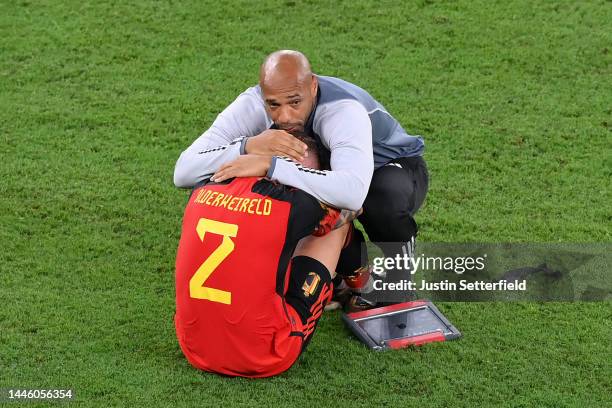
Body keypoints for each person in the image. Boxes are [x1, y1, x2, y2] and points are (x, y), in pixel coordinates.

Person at [173, 49, 427, 305]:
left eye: (295, 102)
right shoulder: (252, 104)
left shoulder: (342, 111)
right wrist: (246, 146)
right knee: (281, 195)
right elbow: (184, 171)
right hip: (326, 170)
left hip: (388, 168)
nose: (285, 117)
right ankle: (339, 279)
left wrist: (270, 165)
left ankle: (398, 282)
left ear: (313, 86)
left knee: (381, 199)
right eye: (274, 105)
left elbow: (353, 192)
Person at [174, 134, 360, 378]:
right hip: (264, 357)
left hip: (194, 348)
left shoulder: (202, 188)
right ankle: (361, 288)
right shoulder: (294, 203)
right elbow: (352, 204)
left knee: (270, 240)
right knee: (339, 226)